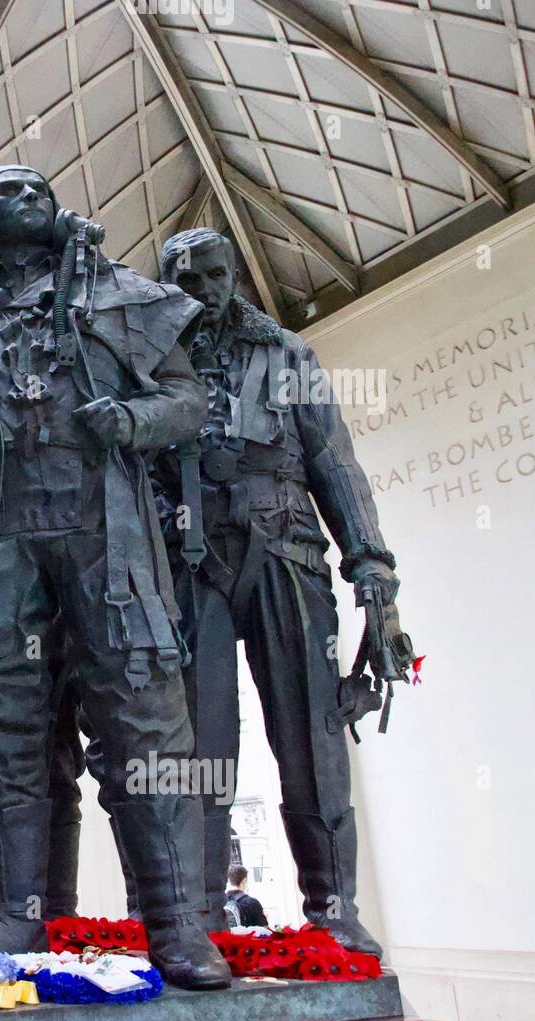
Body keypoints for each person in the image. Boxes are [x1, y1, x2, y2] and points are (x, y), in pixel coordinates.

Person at [0, 165, 230, 990]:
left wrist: (134, 419)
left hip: (104, 523)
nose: (29, 196)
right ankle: (15, 914)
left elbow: (189, 399)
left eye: (39, 189)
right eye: (8, 189)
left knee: (144, 715)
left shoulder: (118, 295)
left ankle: (177, 921)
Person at [156, 227, 398, 954]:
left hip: (285, 549)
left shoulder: (288, 353)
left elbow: (334, 461)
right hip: (189, 561)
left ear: (234, 275)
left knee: (312, 734)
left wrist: (371, 564)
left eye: (214, 273)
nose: (203, 289)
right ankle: (199, 914)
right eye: (186, 279)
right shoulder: (148, 360)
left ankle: (333, 908)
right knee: (197, 743)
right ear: (167, 286)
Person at [224, 864, 268, 928]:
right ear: (244, 881)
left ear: (228, 880)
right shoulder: (252, 903)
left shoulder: (220, 903)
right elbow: (264, 929)